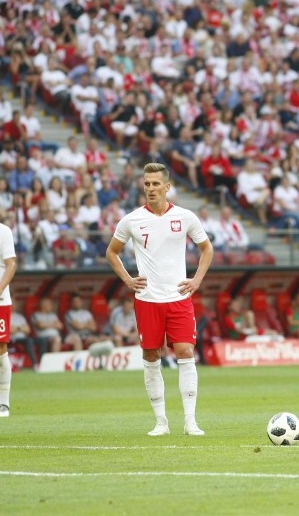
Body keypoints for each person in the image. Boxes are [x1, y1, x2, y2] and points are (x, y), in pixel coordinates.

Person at [106, 162, 214, 437]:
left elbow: (206, 248)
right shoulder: (131, 220)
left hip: (178, 297)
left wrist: (197, 280)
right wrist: (128, 280)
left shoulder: (185, 216)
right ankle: (161, 422)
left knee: (185, 352)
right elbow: (112, 252)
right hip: (147, 299)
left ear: (167, 187)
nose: (151, 188)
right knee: (151, 355)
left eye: (156, 184)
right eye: (147, 184)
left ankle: (190, 421)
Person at [0, 218, 18, 416]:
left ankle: (3, 403)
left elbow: (11, 264)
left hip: (0, 300)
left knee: (0, 348)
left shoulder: (3, 231)